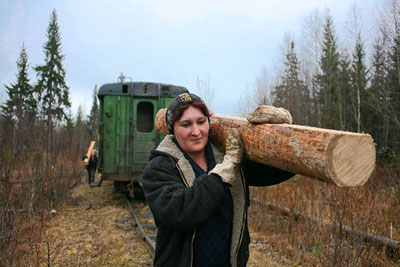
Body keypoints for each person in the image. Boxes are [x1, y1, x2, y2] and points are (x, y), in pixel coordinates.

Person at [141, 93, 295, 267]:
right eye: (186, 124)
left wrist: (283, 127)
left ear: (209, 122)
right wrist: (222, 174)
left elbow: (280, 170)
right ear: (172, 130)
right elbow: (181, 211)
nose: (196, 132)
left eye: (201, 122)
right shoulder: (159, 167)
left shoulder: (228, 156)